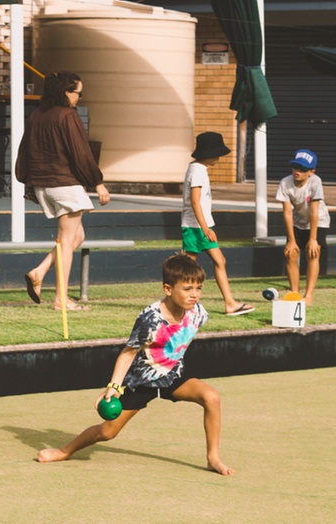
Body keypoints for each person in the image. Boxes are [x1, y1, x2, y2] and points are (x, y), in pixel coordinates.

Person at [37, 253, 235, 476]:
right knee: (107, 432)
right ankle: (65, 450)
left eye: (198, 288)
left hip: (172, 376)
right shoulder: (150, 319)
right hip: (141, 382)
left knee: (211, 397)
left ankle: (213, 458)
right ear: (168, 289)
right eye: (187, 289)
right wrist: (114, 386)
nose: (194, 295)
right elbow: (127, 353)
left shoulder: (198, 313)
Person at [16, 71, 110, 310]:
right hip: (64, 184)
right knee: (68, 241)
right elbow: (81, 152)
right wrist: (96, 181)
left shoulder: (37, 115)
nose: (79, 98)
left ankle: (40, 271)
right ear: (66, 92)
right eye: (78, 93)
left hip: (43, 185)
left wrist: (27, 180)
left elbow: (24, 150)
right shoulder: (68, 115)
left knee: (77, 237)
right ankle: (61, 300)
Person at [182, 132, 253, 316]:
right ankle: (181, 305)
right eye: (217, 152)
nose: (220, 157)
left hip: (200, 226)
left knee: (216, 261)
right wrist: (205, 229)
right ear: (208, 153)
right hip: (195, 227)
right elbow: (195, 202)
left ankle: (229, 303)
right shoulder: (197, 171)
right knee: (187, 268)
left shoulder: (197, 168)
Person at [277, 149, 330, 306]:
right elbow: (287, 212)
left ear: (311, 172)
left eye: (303, 169)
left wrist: (313, 239)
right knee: (291, 253)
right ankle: (294, 293)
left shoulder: (315, 182)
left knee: (313, 253)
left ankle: (309, 295)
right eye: (295, 167)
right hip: (297, 221)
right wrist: (291, 240)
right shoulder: (285, 183)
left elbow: (314, 211)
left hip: (318, 221)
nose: (297, 171)